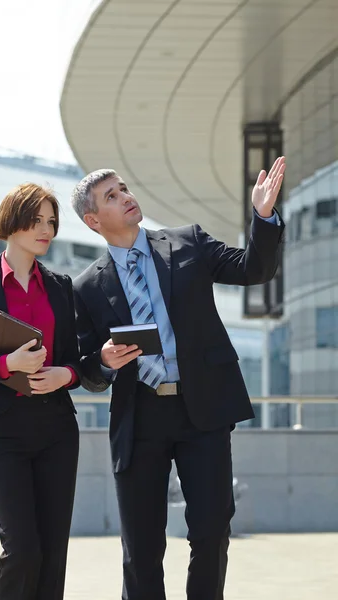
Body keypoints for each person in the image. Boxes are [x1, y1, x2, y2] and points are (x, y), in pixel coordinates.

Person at [71, 157, 286, 600]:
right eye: (112, 196)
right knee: (142, 548)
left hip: (202, 411)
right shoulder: (86, 287)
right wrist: (105, 360)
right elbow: (87, 372)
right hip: (140, 418)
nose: (126, 197)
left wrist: (262, 216)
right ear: (94, 221)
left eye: (124, 188)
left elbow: (253, 269)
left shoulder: (187, 242)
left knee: (211, 532)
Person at [0, 183, 91, 600]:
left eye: (51, 222)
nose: (46, 230)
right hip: (2, 428)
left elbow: (75, 362)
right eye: (37, 220)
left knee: (52, 550)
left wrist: (65, 374)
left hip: (57, 427)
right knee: (22, 547)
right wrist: (7, 365)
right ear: (12, 221)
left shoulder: (61, 286)